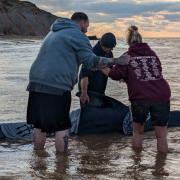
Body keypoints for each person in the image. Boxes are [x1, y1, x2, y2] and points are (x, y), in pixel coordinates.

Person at [26, 12, 127, 153]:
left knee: (39, 125)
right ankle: (61, 167)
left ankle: (38, 163)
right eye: (88, 25)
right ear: (83, 22)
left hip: (35, 82)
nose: (87, 29)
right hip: (57, 85)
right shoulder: (78, 35)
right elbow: (90, 62)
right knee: (62, 126)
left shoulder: (53, 32)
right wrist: (116, 61)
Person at [101, 25, 171, 153]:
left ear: (128, 42)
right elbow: (156, 72)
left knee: (138, 132)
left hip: (141, 97)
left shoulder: (128, 55)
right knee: (161, 136)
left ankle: (136, 167)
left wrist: (99, 66)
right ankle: (161, 169)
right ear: (141, 40)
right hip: (162, 95)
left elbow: (114, 74)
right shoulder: (153, 54)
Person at [79, 32, 116, 105]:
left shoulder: (109, 53)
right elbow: (84, 76)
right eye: (109, 48)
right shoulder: (92, 54)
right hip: (88, 92)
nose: (111, 50)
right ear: (103, 45)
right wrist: (84, 93)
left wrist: (120, 76)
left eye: (112, 48)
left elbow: (111, 71)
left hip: (100, 92)